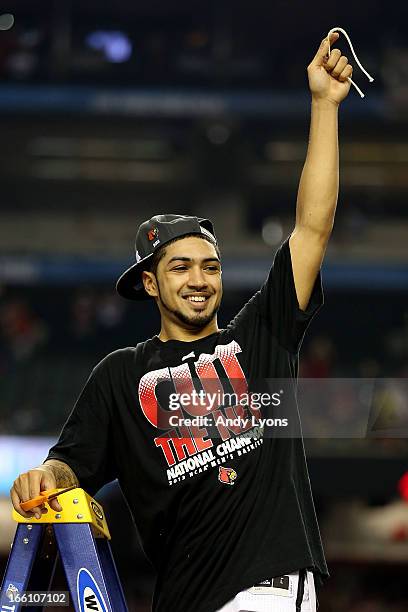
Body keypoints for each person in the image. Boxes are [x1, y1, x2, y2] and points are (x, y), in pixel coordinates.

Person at [10, 31, 352, 612]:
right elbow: (71, 466)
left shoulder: (261, 337)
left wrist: (322, 105)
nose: (199, 279)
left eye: (211, 266)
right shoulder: (119, 377)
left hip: (265, 593)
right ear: (150, 282)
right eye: (181, 267)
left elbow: (312, 228)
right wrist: (45, 477)